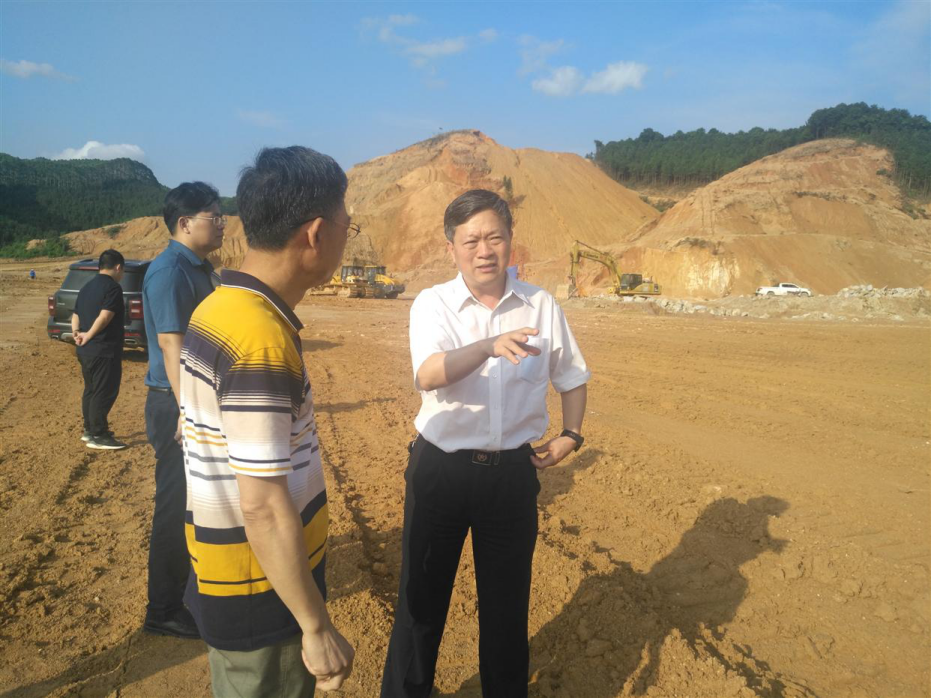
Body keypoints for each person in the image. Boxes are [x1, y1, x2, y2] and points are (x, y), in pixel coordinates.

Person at [381, 189, 591, 698]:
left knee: (506, 608)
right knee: (420, 603)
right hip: (441, 473)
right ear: (451, 247)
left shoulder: (541, 305)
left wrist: (570, 434)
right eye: (470, 240)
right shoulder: (433, 303)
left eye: (494, 237)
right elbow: (429, 373)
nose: (484, 251)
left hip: (511, 478)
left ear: (510, 240)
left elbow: (572, 375)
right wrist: (486, 346)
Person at [179, 146, 356, 696]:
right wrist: (315, 626)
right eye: (347, 225)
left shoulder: (219, 306)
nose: (348, 237)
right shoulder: (259, 338)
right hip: (262, 589)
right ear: (316, 234)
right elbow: (261, 504)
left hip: (234, 570)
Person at [141, 181, 225, 639]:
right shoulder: (170, 271)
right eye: (214, 216)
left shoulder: (200, 268)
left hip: (191, 400)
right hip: (174, 403)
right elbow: (171, 344)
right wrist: (186, 411)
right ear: (185, 223)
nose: (222, 224)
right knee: (175, 507)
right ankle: (163, 610)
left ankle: (191, 592)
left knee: (198, 503)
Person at [72, 248, 127, 450]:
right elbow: (105, 317)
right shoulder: (113, 288)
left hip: (85, 350)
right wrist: (89, 335)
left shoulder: (86, 287)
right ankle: (98, 434)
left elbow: (75, 314)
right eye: (123, 270)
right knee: (104, 392)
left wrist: (77, 333)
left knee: (91, 390)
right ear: (118, 267)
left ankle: (89, 430)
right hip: (103, 349)